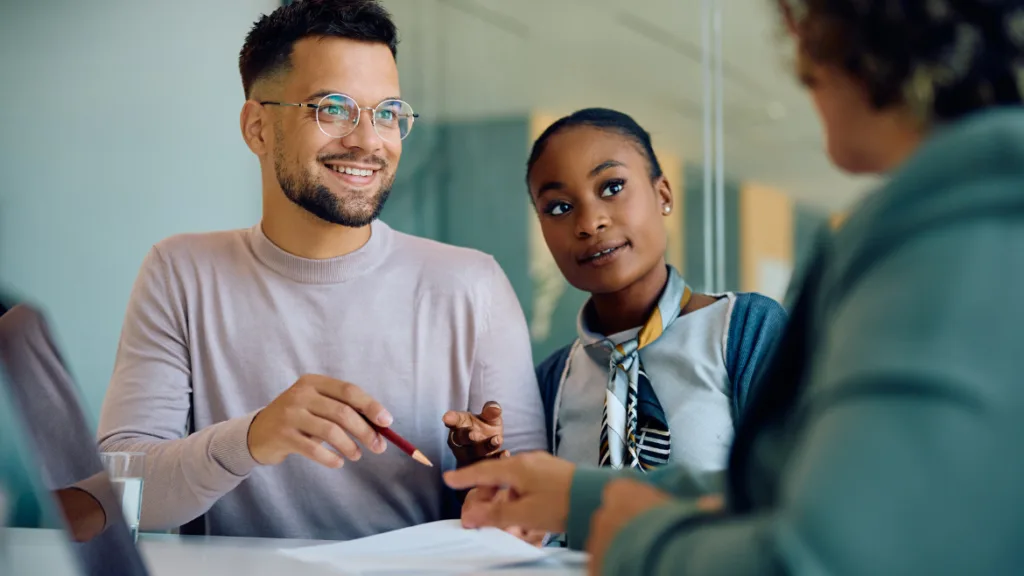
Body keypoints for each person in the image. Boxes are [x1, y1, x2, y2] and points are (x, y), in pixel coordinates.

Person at [444, 1, 1024, 574]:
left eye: (802, 26)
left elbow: (818, 548)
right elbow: (783, 486)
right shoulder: (554, 376)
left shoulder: (946, 237)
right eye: (560, 206)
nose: (590, 221)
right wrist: (571, 495)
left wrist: (637, 545)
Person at [97, 0, 545, 541]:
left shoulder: (473, 285)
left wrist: (493, 495)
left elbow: (534, 514)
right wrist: (254, 437)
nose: (367, 140)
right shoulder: (181, 272)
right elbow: (125, 494)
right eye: (333, 109)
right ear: (258, 127)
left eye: (387, 113)